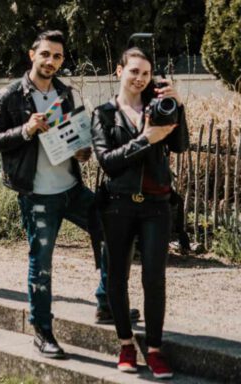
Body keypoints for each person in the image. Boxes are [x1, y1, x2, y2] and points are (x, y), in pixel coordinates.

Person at [0, 30, 137, 359]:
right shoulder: (11, 95)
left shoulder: (66, 94)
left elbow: (74, 137)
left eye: (57, 56)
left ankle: (106, 303)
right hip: (37, 195)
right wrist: (27, 129)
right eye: (46, 54)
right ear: (32, 55)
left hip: (71, 189)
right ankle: (42, 331)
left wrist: (81, 152)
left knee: (114, 233)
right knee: (42, 266)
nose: (51, 61)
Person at [90, 47, 188, 379]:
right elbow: (108, 162)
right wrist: (146, 138)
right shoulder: (103, 114)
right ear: (119, 71)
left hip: (156, 206)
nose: (140, 78)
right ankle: (126, 344)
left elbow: (179, 145)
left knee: (154, 278)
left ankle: (156, 349)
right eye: (133, 71)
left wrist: (179, 107)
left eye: (145, 73)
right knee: (117, 277)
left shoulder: (158, 108)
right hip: (117, 205)